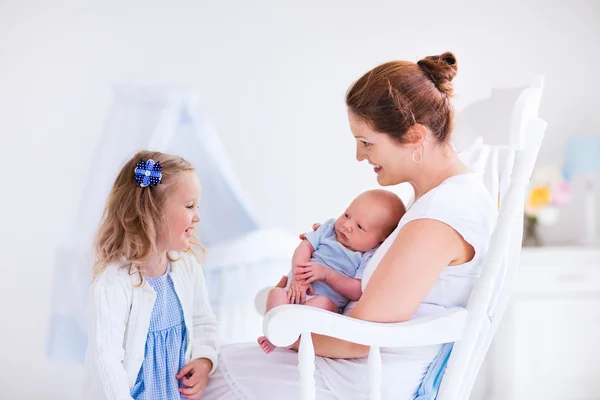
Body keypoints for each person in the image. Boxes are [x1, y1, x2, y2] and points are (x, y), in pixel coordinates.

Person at [202, 52, 497, 399]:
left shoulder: (442, 215)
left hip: (361, 377)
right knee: (205, 365)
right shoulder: (435, 201)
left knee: (200, 377)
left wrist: (285, 328)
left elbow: (357, 339)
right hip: (354, 366)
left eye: (367, 142)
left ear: (416, 136)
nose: (360, 156)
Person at [83, 150, 220, 400]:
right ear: (151, 212)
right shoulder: (113, 285)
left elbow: (204, 322)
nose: (198, 216)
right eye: (190, 206)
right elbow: (107, 363)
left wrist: (204, 360)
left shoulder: (187, 267)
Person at [258, 189, 405, 354]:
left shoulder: (368, 257)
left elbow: (356, 291)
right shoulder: (328, 229)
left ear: (380, 240)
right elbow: (304, 248)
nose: (347, 225)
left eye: (360, 227)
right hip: (294, 291)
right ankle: (276, 334)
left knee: (321, 304)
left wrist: (327, 274)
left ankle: (289, 338)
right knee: (276, 293)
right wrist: (297, 279)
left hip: (323, 302)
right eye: (347, 215)